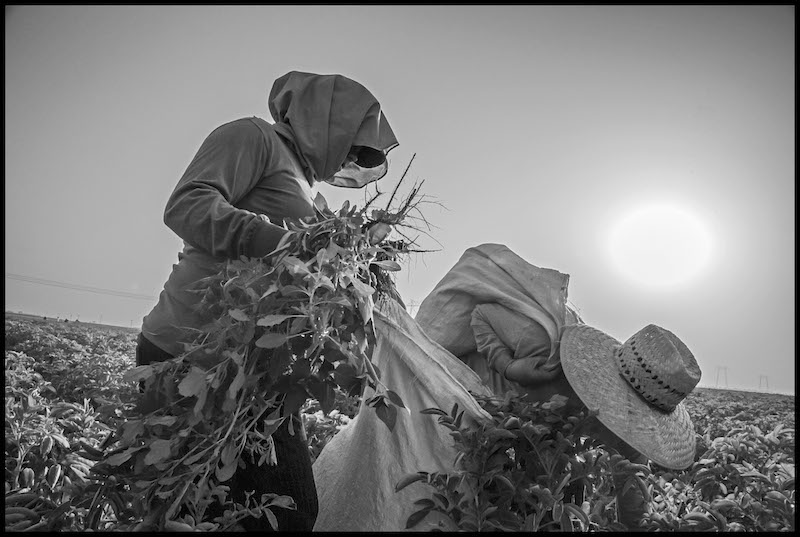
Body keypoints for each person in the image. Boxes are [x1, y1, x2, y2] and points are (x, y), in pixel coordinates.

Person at [136, 70, 399, 531]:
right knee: (209, 506)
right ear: (326, 124)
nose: (351, 162)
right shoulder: (251, 136)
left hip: (253, 370)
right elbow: (187, 204)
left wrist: (358, 261)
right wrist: (277, 240)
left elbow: (307, 268)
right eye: (352, 148)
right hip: (190, 352)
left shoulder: (307, 187)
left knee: (283, 511)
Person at [415, 243, 702, 529]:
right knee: (463, 488)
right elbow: (482, 314)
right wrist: (509, 366)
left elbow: (632, 493)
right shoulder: (544, 343)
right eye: (628, 406)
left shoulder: (634, 435)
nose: (627, 416)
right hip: (471, 391)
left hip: (530, 434)